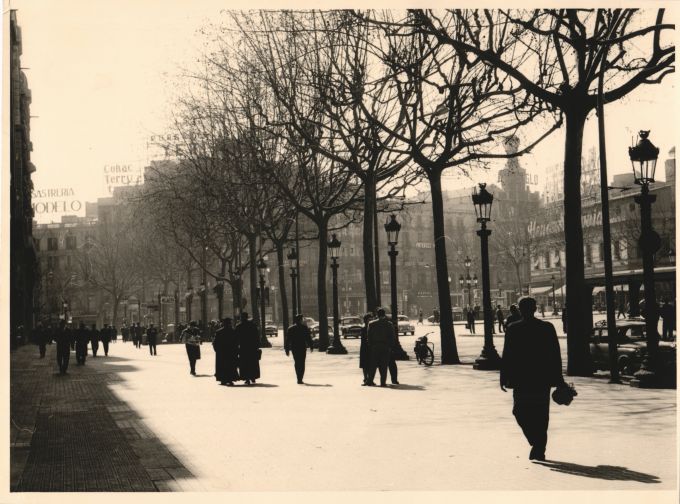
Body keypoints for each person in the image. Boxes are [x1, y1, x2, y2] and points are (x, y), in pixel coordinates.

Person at [500, 296, 565, 462]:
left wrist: (503, 376)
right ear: (535, 309)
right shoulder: (546, 328)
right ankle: (538, 444)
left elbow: (507, 355)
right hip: (541, 378)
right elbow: (555, 355)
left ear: (521, 310)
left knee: (520, 411)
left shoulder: (514, 329)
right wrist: (558, 379)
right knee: (541, 414)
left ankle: (537, 445)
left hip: (523, 378)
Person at [367, 308, 396, 387]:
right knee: (384, 365)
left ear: (377, 314)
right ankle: (382, 382)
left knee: (373, 364)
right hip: (385, 346)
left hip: (375, 346)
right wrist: (390, 346)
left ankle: (370, 380)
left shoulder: (371, 324)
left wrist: (371, 345)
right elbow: (392, 337)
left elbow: (369, 336)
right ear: (384, 314)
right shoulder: (389, 324)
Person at [285, 314, 314, 384]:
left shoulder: (290, 328)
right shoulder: (304, 328)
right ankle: (300, 377)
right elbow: (308, 338)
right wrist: (311, 346)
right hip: (302, 347)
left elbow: (287, 340)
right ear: (301, 320)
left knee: (297, 362)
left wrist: (287, 350)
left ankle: (298, 377)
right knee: (302, 362)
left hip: (294, 348)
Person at [235, 312, 260, 385]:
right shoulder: (252, 325)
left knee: (244, 363)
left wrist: (236, 347)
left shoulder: (239, 326)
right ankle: (253, 376)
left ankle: (246, 378)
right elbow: (257, 336)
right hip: (252, 347)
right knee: (252, 362)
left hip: (243, 347)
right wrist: (257, 346)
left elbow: (236, 338)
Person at [213, 318, 239, 385]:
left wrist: (217, 350)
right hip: (231, 352)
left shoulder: (219, 332)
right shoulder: (233, 331)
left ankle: (222, 379)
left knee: (222, 366)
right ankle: (230, 379)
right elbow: (236, 342)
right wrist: (236, 351)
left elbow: (215, 343)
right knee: (231, 366)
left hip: (221, 352)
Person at [359, 313, 372, 385]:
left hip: (369, 348)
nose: (370, 321)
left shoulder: (371, 327)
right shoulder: (364, 328)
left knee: (370, 365)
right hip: (365, 348)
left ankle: (369, 379)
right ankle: (365, 379)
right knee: (364, 365)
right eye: (369, 319)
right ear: (366, 320)